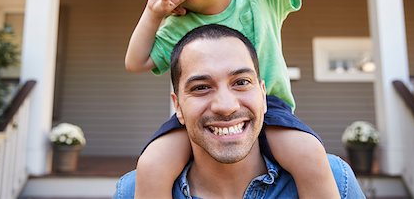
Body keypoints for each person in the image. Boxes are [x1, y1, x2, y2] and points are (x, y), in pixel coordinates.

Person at [125, 0, 338, 198]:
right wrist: (154, 12)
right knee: (152, 163)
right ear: (174, 2)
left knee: (309, 152)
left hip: (268, 107)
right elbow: (136, 62)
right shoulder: (177, 26)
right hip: (201, 116)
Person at [115, 24, 365, 198]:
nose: (226, 106)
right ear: (177, 106)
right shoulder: (134, 191)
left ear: (263, 95)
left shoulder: (335, 179)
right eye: (201, 87)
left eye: (241, 82)